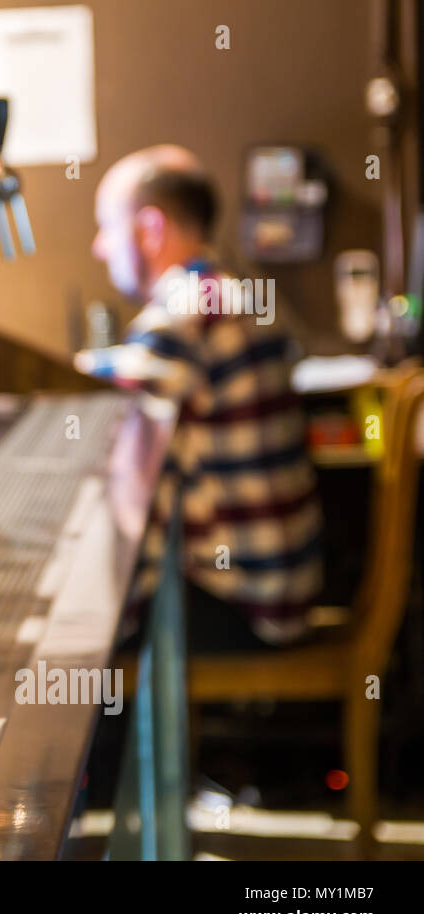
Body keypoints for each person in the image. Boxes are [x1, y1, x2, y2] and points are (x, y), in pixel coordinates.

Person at [75, 145, 323, 650]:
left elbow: (98, 395)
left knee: (80, 639)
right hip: (280, 589)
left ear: (150, 228)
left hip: (247, 603)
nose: (100, 247)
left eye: (107, 226)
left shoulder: (193, 303)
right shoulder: (232, 290)